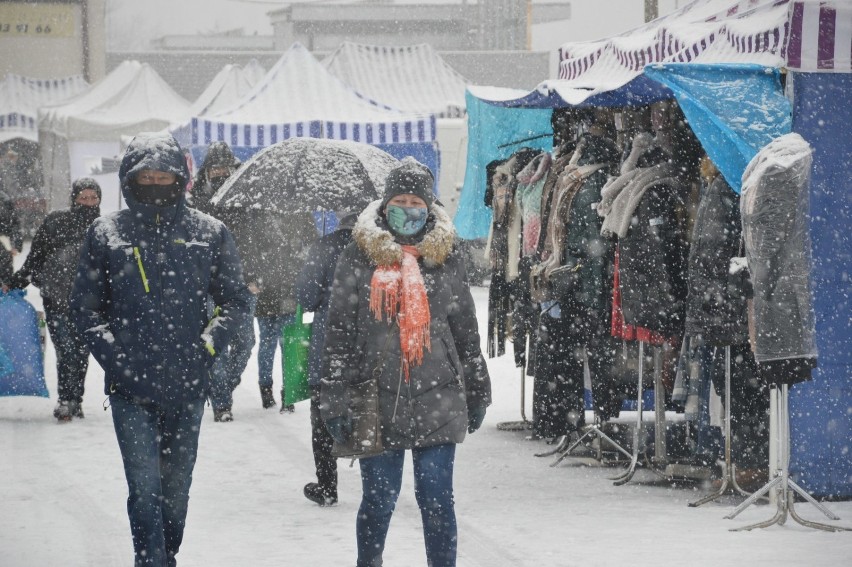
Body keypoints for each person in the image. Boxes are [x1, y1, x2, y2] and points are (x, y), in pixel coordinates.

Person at [70, 132, 253, 567]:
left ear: (181, 178)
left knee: (175, 493)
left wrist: (206, 348)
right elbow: (86, 309)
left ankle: (163, 553)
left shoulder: (209, 232)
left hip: (188, 386)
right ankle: (150, 560)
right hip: (130, 390)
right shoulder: (107, 232)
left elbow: (236, 300)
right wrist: (118, 358)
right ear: (130, 180)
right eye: (145, 177)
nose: (154, 184)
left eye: (163, 177)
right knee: (145, 489)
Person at [320, 158, 492, 567]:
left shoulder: (445, 257)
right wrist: (333, 396)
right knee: (378, 501)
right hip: (376, 398)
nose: (408, 208)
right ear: (385, 205)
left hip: (440, 395)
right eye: (400, 200)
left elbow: (465, 328)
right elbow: (338, 332)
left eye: (416, 201)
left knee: (436, 500)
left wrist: (478, 385)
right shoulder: (359, 257)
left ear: (429, 207)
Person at [8, 178, 102, 421]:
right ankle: (66, 399)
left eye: (93, 198)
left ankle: (74, 399)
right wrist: (17, 282)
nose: (89, 202)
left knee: (80, 352)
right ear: (74, 198)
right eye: (84, 197)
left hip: (90, 304)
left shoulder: (103, 227)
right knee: (66, 350)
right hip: (56, 298)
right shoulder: (56, 222)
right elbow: (36, 257)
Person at [190, 141, 257, 422]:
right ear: (207, 169)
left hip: (241, 282)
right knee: (214, 341)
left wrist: (257, 276)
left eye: (224, 167)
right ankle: (222, 403)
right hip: (205, 285)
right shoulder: (195, 202)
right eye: (215, 167)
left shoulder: (247, 200)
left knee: (245, 343)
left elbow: (259, 240)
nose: (220, 172)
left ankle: (222, 386)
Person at [295, 211, 357, 506]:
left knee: (322, 416)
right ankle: (377, 483)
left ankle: (327, 485)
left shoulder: (325, 246)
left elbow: (306, 296)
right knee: (369, 409)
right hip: (369, 344)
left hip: (328, 341)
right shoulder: (378, 247)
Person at [241, 209, 317, 413]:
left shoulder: (297, 215)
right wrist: (252, 277)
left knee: (282, 344)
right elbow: (250, 251)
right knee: (274, 343)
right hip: (272, 288)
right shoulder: (261, 216)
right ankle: (274, 392)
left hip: (285, 288)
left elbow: (311, 250)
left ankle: (282, 392)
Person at [0, 184, 23, 286]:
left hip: (3, 250)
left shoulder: (4, 200)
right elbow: (14, 225)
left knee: (5, 284)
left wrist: (16, 245)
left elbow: (14, 224)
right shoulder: (5, 200)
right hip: (4, 251)